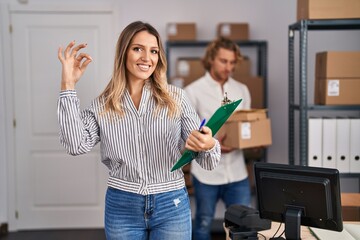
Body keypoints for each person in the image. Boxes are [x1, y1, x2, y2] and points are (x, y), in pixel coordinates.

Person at [57, 21, 221, 240]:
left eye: (153, 51)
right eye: (138, 49)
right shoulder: (103, 105)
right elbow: (75, 145)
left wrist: (208, 144)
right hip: (122, 205)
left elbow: (208, 162)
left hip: (171, 203)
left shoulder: (176, 99)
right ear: (124, 53)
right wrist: (68, 84)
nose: (147, 58)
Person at [184, 37, 251, 240]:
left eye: (232, 62)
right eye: (223, 61)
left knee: (243, 224)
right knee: (203, 221)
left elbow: (245, 125)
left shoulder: (242, 90)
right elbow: (188, 134)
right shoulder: (192, 91)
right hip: (206, 173)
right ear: (211, 59)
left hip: (237, 172)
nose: (228, 67)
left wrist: (245, 139)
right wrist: (213, 144)